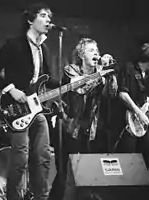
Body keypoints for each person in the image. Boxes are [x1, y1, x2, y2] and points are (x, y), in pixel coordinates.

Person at [0, 2, 53, 200]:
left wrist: (75, 82)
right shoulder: (14, 44)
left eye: (49, 17)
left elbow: (48, 79)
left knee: (43, 156)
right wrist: (11, 89)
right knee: (20, 159)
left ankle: (40, 197)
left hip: (36, 108)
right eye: (43, 15)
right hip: (16, 108)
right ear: (30, 20)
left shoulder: (45, 50)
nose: (48, 20)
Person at [48, 37, 118, 200]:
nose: (96, 53)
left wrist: (109, 75)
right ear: (81, 55)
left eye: (97, 51)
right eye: (91, 50)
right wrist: (100, 74)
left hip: (90, 128)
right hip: (68, 125)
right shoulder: (71, 69)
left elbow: (111, 94)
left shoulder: (100, 73)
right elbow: (80, 88)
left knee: (86, 171)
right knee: (64, 172)